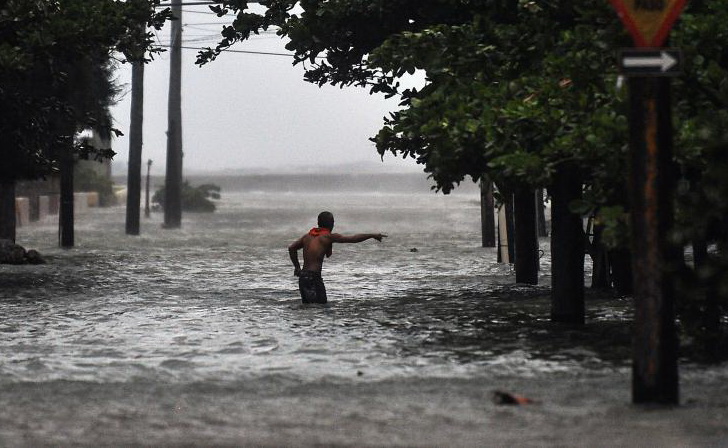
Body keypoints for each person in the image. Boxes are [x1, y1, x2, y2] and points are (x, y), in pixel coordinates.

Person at [288, 211, 387, 304]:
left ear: (318, 223)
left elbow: (292, 248)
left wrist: (297, 267)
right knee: (320, 308)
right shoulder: (328, 237)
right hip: (313, 278)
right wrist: (372, 235)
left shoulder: (307, 237)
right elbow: (353, 239)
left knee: (308, 308)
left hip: (303, 278)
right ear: (331, 224)